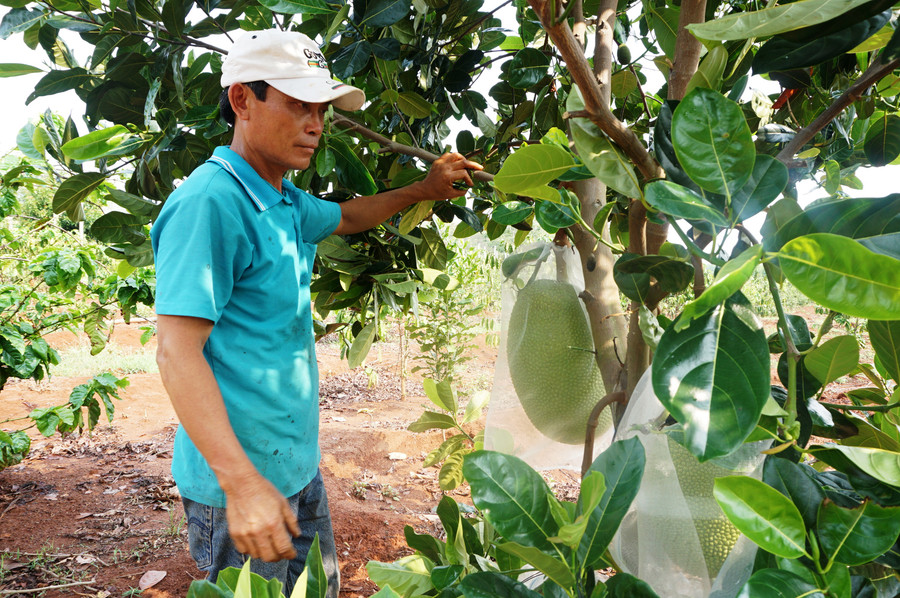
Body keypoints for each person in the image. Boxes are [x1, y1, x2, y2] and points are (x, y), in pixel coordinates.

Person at [151, 29, 482, 597]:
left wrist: (422, 189)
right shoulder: (212, 202)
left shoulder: (278, 197)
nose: (315, 123)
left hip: (293, 469)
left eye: (321, 109)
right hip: (243, 481)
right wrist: (242, 485)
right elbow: (175, 351)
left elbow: (348, 218)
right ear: (242, 100)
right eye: (298, 104)